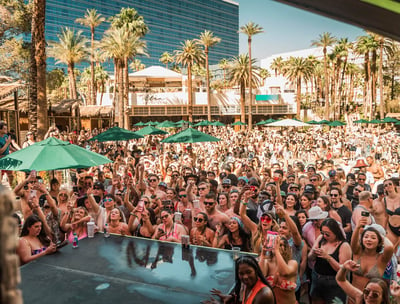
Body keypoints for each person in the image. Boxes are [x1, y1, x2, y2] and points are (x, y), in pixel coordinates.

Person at [308, 218, 352, 304]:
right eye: (323, 233)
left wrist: (328, 257)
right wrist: (314, 253)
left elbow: (342, 270)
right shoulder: (321, 239)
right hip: (317, 278)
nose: (324, 236)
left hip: (334, 283)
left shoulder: (344, 245)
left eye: (327, 234)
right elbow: (310, 258)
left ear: (336, 232)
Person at [206, 255, 275, 304]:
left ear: (256, 271)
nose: (245, 277)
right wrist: (232, 298)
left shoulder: (264, 294)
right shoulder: (245, 286)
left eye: (249, 272)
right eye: (241, 273)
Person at [350, 222, 393, 294]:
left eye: (373, 237)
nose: (369, 239)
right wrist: (357, 227)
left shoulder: (382, 259)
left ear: (380, 241)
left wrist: (381, 236)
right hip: (353, 297)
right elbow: (353, 242)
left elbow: (389, 247)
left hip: (371, 299)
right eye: (366, 237)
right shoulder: (357, 253)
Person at [259, 235, 298, 304]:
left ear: (286, 248)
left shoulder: (292, 263)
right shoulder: (268, 263)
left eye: (281, 245)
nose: (277, 247)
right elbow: (261, 274)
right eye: (275, 244)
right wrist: (263, 254)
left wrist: (277, 251)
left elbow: (285, 272)